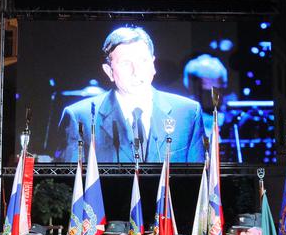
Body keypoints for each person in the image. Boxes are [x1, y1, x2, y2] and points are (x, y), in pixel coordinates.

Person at [53, 25, 205, 163]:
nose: (136, 71)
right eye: (126, 63)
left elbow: (197, 182)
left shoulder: (187, 112)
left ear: (153, 65)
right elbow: (66, 187)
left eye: (143, 61)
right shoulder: (80, 117)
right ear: (109, 71)